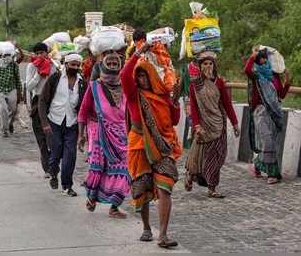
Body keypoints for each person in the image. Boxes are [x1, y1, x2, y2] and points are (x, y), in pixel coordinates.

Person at [121, 43, 182, 248]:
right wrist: (137, 52)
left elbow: (173, 120)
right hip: (139, 145)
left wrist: (174, 102)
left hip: (163, 145)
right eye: (138, 76)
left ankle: (163, 235)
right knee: (143, 189)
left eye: (145, 76)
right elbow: (124, 75)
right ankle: (146, 228)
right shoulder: (133, 94)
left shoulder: (163, 96)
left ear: (152, 76)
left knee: (165, 187)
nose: (141, 80)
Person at [78, 52, 131, 219]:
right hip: (98, 131)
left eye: (117, 63)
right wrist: (81, 135)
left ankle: (114, 206)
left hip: (121, 133)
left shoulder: (125, 86)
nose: (114, 64)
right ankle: (92, 196)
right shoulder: (94, 86)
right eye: (110, 62)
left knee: (123, 169)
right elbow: (83, 111)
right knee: (99, 167)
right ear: (103, 65)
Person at [185, 51, 240, 198]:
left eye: (210, 63)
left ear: (214, 65)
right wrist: (197, 125)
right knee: (201, 156)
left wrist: (234, 123)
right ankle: (198, 179)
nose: (208, 66)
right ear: (200, 66)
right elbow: (195, 107)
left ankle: (210, 185)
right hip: (203, 125)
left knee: (218, 156)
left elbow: (227, 104)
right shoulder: (195, 85)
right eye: (205, 64)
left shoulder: (219, 82)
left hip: (218, 124)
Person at [38, 53, 86, 197]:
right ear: (66, 64)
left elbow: (84, 106)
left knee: (70, 155)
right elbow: (42, 101)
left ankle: (67, 186)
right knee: (55, 153)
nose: (75, 67)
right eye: (73, 64)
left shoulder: (82, 82)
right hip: (54, 122)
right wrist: (45, 124)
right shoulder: (55, 78)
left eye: (78, 65)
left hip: (72, 123)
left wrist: (83, 130)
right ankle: (53, 174)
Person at [245, 48, 290, 184]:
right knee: (267, 141)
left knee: (270, 143)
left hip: (273, 113)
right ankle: (273, 174)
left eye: (266, 58)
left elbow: (280, 95)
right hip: (260, 111)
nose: (264, 60)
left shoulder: (274, 76)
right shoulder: (256, 74)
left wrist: (287, 80)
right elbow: (246, 70)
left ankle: (257, 165)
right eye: (261, 58)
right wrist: (252, 57)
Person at [26, 42, 57, 178]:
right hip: (37, 101)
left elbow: (56, 84)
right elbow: (29, 86)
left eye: (42, 53)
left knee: (52, 134)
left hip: (52, 102)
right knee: (41, 136)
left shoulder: (53, 66)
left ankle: (54, 161)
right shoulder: (31, 66)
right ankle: (47, 167)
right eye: (37, 53)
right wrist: (39, 74)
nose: (40, 56)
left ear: (46, 53)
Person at [0, 47, 22, 137]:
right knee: (3, 109)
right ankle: (4, 130)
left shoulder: (14, 65)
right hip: (0, 90)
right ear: (3, 56)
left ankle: (9, 123)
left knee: (13, 110)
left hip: (12, 89)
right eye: (6, 55)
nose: (7, 57)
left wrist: (20, 92)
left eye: (9, 55)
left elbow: (17, 79)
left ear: (12, 56)